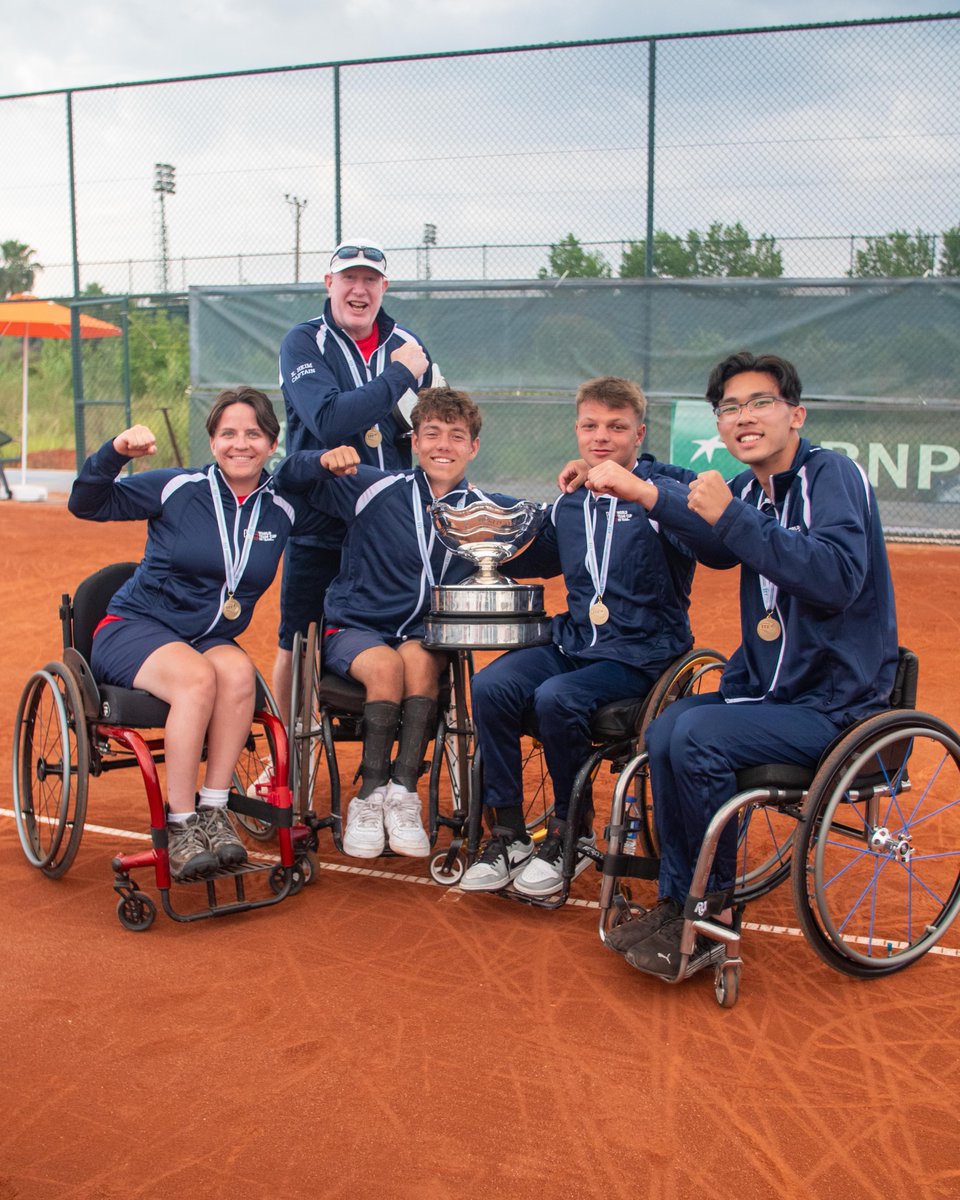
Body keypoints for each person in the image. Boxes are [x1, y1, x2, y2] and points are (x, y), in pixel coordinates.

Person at [575, 351, 899, 979]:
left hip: (837, 704)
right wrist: (644, 492)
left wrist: (730, 513)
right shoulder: (751, 489)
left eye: (759, 403)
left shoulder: (831, 475)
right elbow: (719, 546)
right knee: (667, 725)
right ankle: (678, 899)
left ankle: (711, 910)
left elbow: (834, 578)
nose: (742, 417)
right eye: (728, 408)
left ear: (795, 414)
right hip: (772, 693)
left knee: (696, 735)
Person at [67, 387, 352, 883]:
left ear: (271, 443)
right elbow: (86, 502)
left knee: (240, 674)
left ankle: (215, 812)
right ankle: (181, 824)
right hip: (136, 626)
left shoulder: (282, 506)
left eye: (253, 434)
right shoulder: (177, 486)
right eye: (228, 434)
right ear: (213, 439)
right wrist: (115, 451)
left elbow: (344, 514)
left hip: (209, 634)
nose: (240, 444)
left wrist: (324, 464)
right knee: (198, 680)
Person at [459, 376, 699, 897]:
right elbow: (544, 556)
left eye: (617, 426)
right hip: (575, 644)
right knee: (490, 686)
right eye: (591, 426)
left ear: (640, 432)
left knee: (556, 699)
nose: (602, 436)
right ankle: (506, 833)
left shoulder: (663, 492)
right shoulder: (572, 500)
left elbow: (698, 502)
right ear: (577, 430)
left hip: (641, 656)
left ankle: (572, 828)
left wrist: (642, 483)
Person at [274, 386, 517, 860]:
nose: (443, 445)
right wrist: (319, 460)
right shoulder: (371, 486)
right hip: (354, 631)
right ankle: (370, 793)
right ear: (414, 443)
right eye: (432, 433)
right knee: (387, 666)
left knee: (421, 659)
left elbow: (541, 534)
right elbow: (285, 477)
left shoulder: (487, 512)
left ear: (474, 447)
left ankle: (402, 794)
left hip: (421, 635)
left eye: (456, 435)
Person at [273, 239, 442, 713]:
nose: (359, 290)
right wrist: (396, 378)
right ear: (330, 284)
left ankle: (391, 760)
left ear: (384, 287)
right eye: (349, 278)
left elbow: (436, 420)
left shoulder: (409, 346)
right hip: (320, 524)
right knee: (296, 641)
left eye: (370, 280)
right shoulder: (304, 342)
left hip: (389, 531)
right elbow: (328, 419)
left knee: (394, 640)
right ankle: (285, 758)